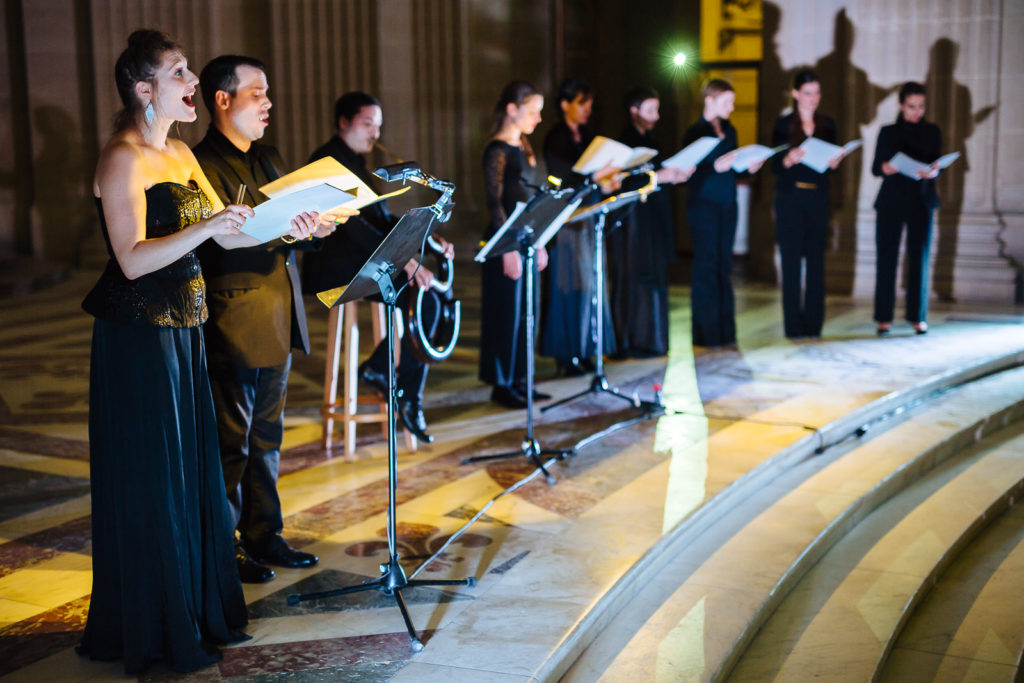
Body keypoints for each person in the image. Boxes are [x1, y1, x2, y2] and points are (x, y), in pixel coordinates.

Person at [78, 30, 316, 674]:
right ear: (144, 89)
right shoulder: (122, 157)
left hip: (186, 327)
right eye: (178, 72)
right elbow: (130, 261)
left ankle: (197, 605)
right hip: (139, 334)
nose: (190, 81)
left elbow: (231, 237)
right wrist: (206, 227)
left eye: (187, 70)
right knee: (156, 475)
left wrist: (286, 226)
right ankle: (155, 621)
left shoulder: (182, 154)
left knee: (192, 468)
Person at [193, 55, 351, 583]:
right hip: (234, 314)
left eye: (267, 93)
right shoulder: (201, 164)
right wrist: (288, 229)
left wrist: (315, 227)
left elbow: (285, 227)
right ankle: (225, 545)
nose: (268, 103)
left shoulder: (269, 157)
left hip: (279, 308)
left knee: (267, 436)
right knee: (230, 440)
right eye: (256, 93)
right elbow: (218, 241)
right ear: (223, 99)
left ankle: (265, 533)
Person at [302, 91, 453, 441]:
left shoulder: (355, 162)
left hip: (362, 260)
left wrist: (430, 240)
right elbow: (355, 228)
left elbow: (381, 219)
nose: (374, 133)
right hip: (338, 267)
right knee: (423, 298)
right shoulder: (327, 160)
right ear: (343, 122)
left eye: (378, 126)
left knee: (433, 295)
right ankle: (399, 388)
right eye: (367, 123)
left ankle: (383, 373)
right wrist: (406, 261)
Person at [479, 81, 550, 408]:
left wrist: (540, 241)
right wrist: (506, 247)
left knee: (527, 313)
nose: (537, 119)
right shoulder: (496, 150)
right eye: (532, 111)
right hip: (503, 243)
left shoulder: (524, 146)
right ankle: (501, 383)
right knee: (505, 314)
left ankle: (521, 378)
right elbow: (495, 204)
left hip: (527, 238)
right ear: (512, 109)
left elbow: (532, 198)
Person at [540, 77, 618, 374]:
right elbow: (563, 179)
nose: (587, 110)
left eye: (589, 105)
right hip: (568, 220)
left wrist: (608, 180)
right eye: (582, 104)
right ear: (565, 105)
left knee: (590, 284)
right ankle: (566, 354)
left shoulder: (586, 135)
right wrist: (593, 177)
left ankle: (586, 348)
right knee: (568, 284)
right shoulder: (556, 137)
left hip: (590, 216)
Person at [682, 79, 762, 348]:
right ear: (710, 100)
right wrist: (712, 167)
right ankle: (706, 334)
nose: (732, 107)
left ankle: (726, 332)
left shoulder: (730, 130)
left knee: (724, 267)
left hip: (727, 203)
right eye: (727, 101)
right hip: (703, 204)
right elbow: (686, 173)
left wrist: (748, 167)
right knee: (706, 265)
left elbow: (732, 167)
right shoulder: (695, 132)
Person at [610, 87, 688, 357]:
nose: (655, 116)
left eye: (657, 110)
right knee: (633, 279)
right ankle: (629, 341)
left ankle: (653, 340)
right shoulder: (623, 142)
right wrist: (658, 177)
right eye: (650, 110)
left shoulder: (653, 140)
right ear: (634, 111)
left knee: (654, 276)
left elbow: (656, 175)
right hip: (632, 221)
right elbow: (622, 183)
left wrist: (673, 175)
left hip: (653, 218)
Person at [770, 69, 844, 339]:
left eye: (817, 93)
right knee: (791, 263)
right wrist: (788, 159)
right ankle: (793, 326)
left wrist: (834, 162)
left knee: (816, 262)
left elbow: (831, 166)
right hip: (790, 198)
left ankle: (813, 325)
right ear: (796, 94)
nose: (813, 99)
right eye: (808, 93)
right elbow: (774, 164)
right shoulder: (783, 125)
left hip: (818, 197)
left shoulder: (828, 125)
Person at [871, 81, 942, 335]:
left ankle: (917, 316)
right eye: (911, 106)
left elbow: (937, 164)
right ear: (901, 105)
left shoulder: (932, 131)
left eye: (921, 106)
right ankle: (883, 317)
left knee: (919, 259)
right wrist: (886, 167)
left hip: (921, 199)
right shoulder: (888, 131)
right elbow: (875, 167)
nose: (917, 112)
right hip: (892, 200)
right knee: (886, 258)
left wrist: (934, 171)